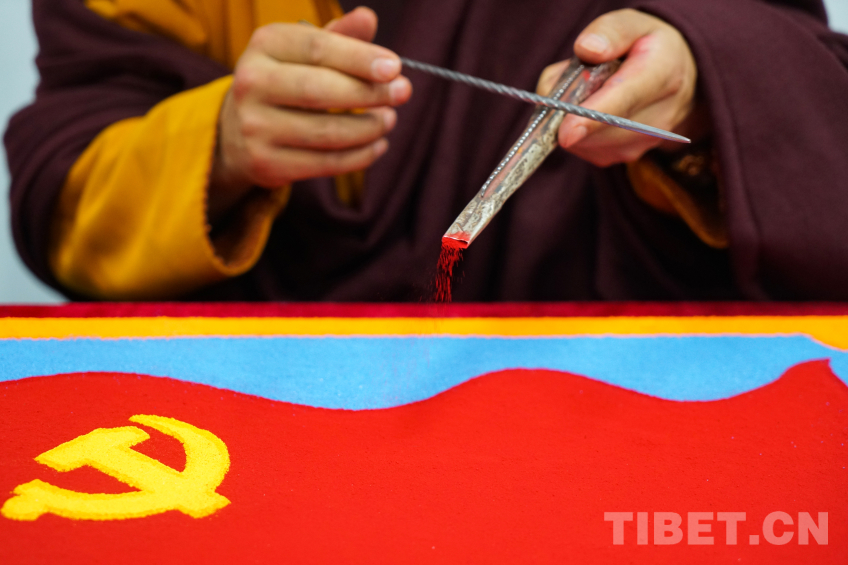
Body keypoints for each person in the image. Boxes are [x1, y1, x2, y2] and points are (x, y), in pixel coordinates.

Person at [6, 0, 848, 301]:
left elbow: (789, 70)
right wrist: (220, 146)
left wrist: (697, 78)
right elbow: (65, 182)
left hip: (609, 377)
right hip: (262, 400)